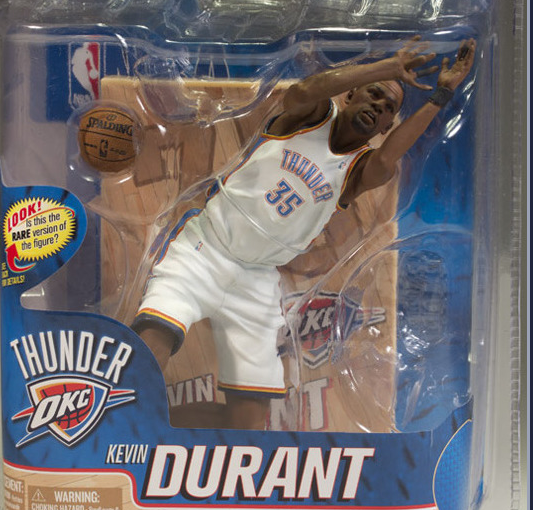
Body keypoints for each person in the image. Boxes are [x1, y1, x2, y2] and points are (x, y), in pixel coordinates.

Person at [132, 36, 476, 430]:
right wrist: (389, 67)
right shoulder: (311, 116)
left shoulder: (357, 171)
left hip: (256, 279)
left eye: (388, 109)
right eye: (373, 94)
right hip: (206, 248)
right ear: (350, 95)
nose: (378, 107)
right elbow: (304, 89)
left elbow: (387, 158)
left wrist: (441, 96)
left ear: (386, 126)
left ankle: (150, 432)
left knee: (246, 424)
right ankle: (125, 423)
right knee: (148, 351)